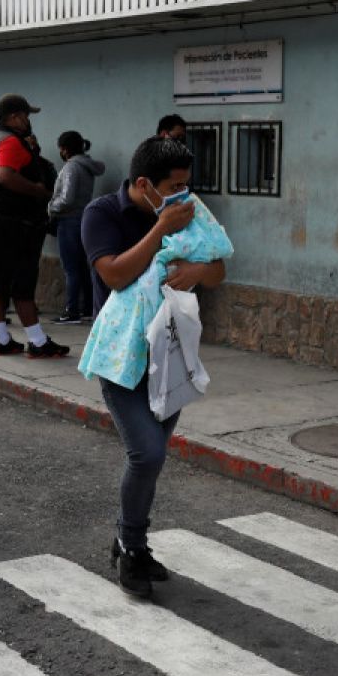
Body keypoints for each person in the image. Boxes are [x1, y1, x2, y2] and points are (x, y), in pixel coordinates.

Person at [80, 136, 225, 597]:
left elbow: (218, 265)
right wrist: (160, 229)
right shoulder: (102, 213)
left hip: (171, 353)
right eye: (175, 185)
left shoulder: (186, 208)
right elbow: (115, 274)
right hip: (122, 355)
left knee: (152, 459)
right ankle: (129, 544)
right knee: (147, 453)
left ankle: (133, 545)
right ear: (145, 184)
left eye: (187, 184)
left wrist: (199, 272)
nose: (184, 194)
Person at [0, 93, 69, 358]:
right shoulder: (10, 141)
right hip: (14, 222)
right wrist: (39, 191)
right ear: (15, 117)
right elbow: (4, 175)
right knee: (23, 283)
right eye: (26, 115)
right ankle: (38, 343)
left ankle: (1, 339)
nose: (29, 120)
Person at [48, 131, 105, 324]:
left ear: (64, 149)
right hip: (83, 218)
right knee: (82, 267)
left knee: (71, 268)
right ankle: (88, 308)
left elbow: (67, 198)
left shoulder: (71, 167)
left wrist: (50, 207)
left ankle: (72, 311)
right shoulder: (87, 166)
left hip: (69, 220)